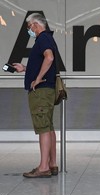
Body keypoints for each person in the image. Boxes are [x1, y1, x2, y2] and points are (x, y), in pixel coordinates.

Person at [13, 13, 58, 178]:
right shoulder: (46, 39)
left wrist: (37, 79)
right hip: (47, 90)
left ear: (35, 25)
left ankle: (43, 167)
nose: (28, 30)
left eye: (29, 26)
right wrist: (25, 69)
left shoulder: (43, 38)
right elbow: (44, 60)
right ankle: (52, 164)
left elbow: (49, 58)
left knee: (43, 128)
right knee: (48, 126)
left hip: (41, 91)